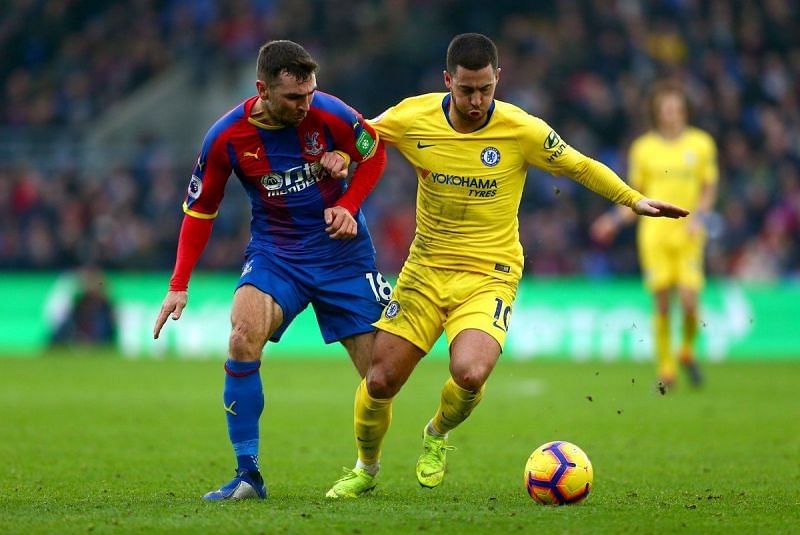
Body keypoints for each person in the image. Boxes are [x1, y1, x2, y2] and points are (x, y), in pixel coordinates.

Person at [324, 33, 689, 498]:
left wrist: (633, 200)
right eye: (465, 90)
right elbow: (362, 133)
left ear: (498, 78)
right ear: (447, 83)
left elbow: (579, 165)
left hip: (489, 275)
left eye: (484, 89)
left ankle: (436, 434)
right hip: (425, 271)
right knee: (379, 379)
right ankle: (365, 469)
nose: (476, 101)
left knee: (471, 372)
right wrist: (340, 152)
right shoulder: (413, 116)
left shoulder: (522, 129)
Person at [153, 40, 390, 501]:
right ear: (262, 89)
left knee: (381, 378)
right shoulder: (225, 137)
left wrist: (348, 201)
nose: (306, 106)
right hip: (277, 254)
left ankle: (368, 467)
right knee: (242, 336)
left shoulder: (333, 113)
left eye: (310, 94)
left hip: (344, 256)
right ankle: (248, 475)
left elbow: (375, 153)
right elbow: (201, 212)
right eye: (293, 98)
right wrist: (178, 285)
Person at [591, 81, 718, 389]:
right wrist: (612, 220)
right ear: (658, 114)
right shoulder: (643, 149)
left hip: (688, 234)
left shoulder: (700, 144)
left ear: (684, 111)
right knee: (662, 304)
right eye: (666, 110)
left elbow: (708, 188)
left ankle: (686, 351)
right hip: (655, 237)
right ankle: (667, 371)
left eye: (677, 109)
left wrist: (699, 217)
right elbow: (636, 196)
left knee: (689, 302)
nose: (672, 115)